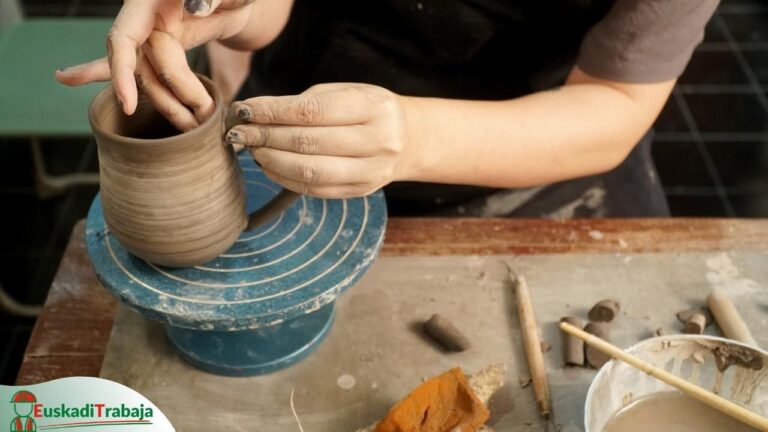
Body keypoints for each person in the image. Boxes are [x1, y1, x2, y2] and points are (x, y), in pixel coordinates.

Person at [56, 0, 719, 218]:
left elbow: (619, 99)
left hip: (524, 162)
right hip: (302, 97)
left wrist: (414, 137)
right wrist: (230, 12)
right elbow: (274, 13)